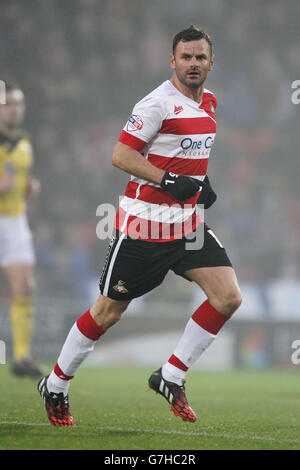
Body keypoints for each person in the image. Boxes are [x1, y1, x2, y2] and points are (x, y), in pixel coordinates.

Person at [38, 25, 242, 427]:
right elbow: (120, 155)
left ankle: (170, 375)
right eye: (186, 57)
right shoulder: (156, 104)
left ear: (211, 62)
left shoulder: (211, 102)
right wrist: (169, 181)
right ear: (173, 61)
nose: (194, 64)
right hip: (143, 230)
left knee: (228, 297)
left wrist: (202, 187)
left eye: (200, 57)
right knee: (108, 313)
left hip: (187, 227)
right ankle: (56, 384)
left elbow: (189, 153)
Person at [0, 81, 42, 378]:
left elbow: (16, 181)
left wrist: (28, 187)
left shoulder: (24, 141)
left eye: (18, 103)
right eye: (9, 104)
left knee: (25, 287)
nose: (15, 109)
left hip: (15, 220)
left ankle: (21, 357)